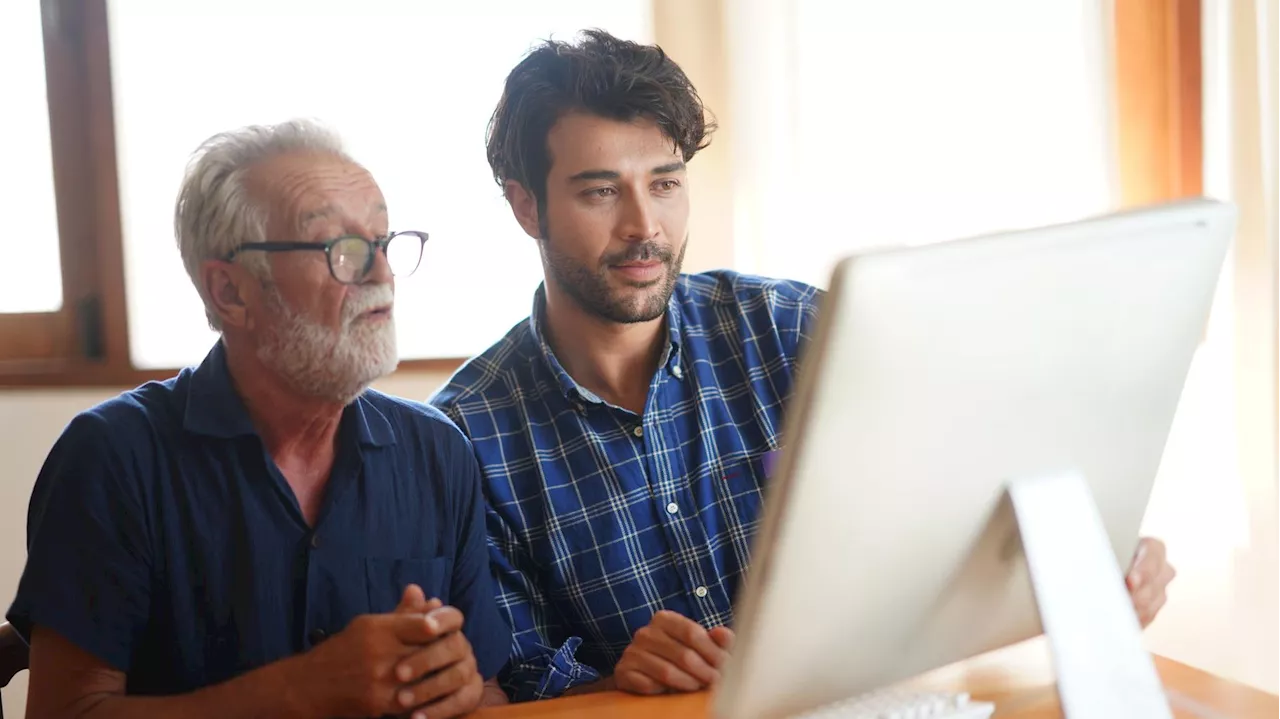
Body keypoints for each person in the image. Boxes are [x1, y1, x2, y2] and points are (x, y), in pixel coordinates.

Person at [430, 30, 1178, 702]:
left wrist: (1080, 564)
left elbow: (957, 497)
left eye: (665, 183)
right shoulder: (465, 435)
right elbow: (508, 687)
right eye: (600, 192)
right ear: (526, 207)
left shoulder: (792, 329)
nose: (644, 227)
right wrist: (617, 679)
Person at [7, 120, 510, 718]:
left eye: (383, 241)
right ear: (230, 292)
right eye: (340, 250)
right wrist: (302, 691)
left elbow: (487, 691)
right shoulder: (115, 457)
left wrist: (461, 692)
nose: (382, 275)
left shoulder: (436, 453)